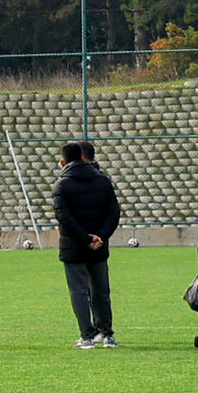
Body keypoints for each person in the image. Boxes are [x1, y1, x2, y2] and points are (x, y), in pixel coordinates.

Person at [53, 140, 122, 349]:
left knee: (79, 291)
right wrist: (100, 236)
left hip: (74, 245)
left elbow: (64, 217)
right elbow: (114, 212)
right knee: (101, 290)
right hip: (99, 244)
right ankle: (107, 333)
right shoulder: (103, 181)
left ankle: (87, 336)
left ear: (63, 161)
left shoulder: (61, 185)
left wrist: (85, 238)